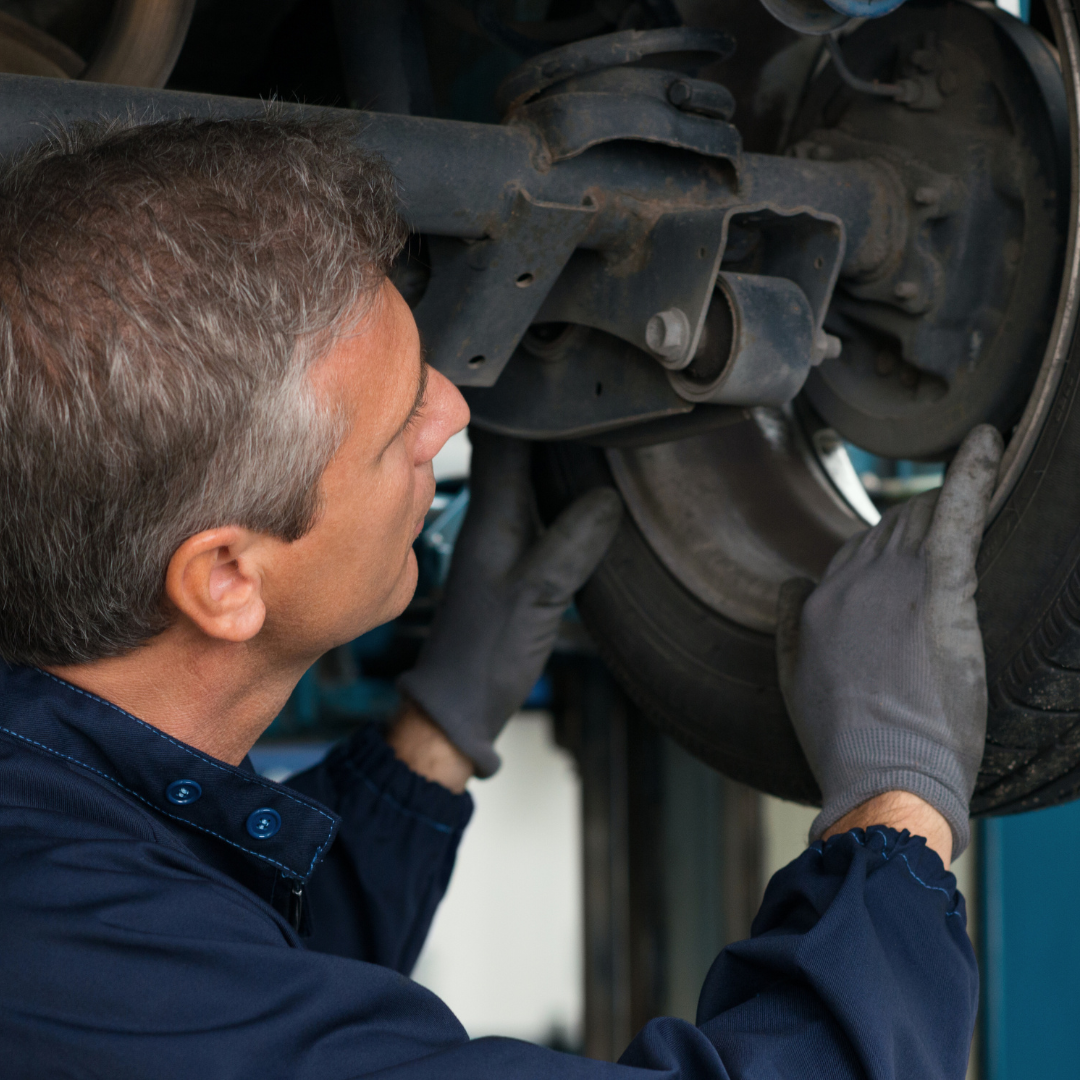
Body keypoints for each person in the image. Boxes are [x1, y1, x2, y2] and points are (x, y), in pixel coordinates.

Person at [0, 112, 997, 1080]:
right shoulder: (66, 972)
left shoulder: (61, 864)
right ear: (227, 578)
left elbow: (239, 988)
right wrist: (895, 814)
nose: (454, 411)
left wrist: (432, 741)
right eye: (397, 430)